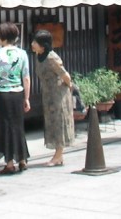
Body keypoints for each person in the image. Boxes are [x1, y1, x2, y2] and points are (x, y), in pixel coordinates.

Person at [0, 22, 31, 174]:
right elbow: (27, 78)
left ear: (1, 37)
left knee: (4, 127)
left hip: (1, 95)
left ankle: (9, 164)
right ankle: (22, 160)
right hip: (17, 94)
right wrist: (27, 98)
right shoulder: (22, 54)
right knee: (17, 126)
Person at [30, 29, 74, 167]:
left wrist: (69, 86)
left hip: (58, 94)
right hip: (48, 94)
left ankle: (58, 155)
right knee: (51, 122)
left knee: (59, 122)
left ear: (43, 45)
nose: (32, 44)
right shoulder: (38, 56)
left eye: (35, 42)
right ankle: (57, 154)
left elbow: (65, 74)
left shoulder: (51, 57)